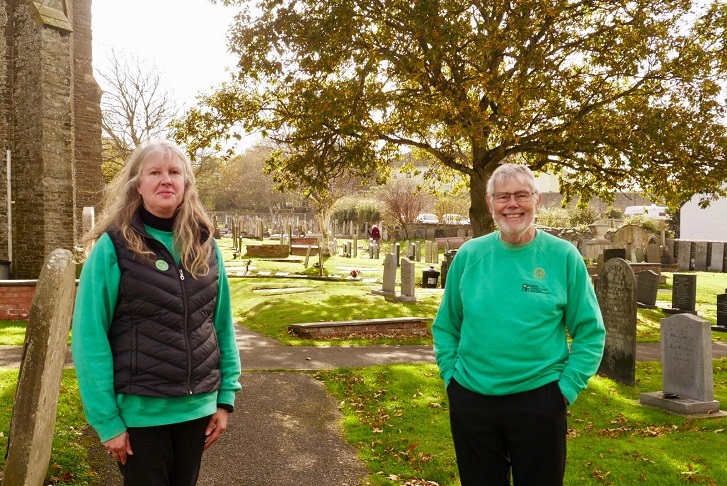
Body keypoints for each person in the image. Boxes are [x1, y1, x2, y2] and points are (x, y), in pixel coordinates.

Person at [71, 139, 242, 486]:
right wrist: (107, 421)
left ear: (186, 184)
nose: (166, 180)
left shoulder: (205, 246)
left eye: (174, 172)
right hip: (140, 417)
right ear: (138, 184)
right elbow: (90, 337)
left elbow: (221, 324)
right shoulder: (113, 247)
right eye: (155, 172)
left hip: (197, 413)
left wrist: (225, 398)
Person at [432, 163, 605, 486]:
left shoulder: (563, 256)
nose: (512, 204)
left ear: (537, 200)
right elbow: (446, 326)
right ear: (490, 203)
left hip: (540, 399)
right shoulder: (470, 256)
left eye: (521, 195)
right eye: (503, 197)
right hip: (472, 399)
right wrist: (451, 380)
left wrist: (565, 391)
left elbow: (590, 332)